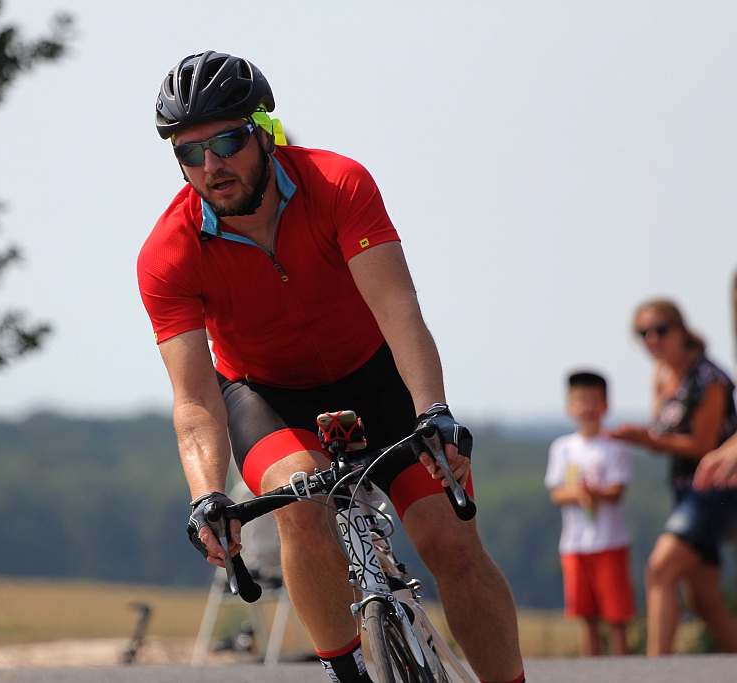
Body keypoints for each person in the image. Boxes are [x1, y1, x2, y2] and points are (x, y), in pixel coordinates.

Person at [137, 51, 525, 683]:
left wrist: (433, 412)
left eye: (228, 141)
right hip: (267, 397)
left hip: (379, 378)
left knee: (452, 545)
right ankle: (345, 672)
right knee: (296, 503)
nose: (212, 166)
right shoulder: (167, 254)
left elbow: (399, 311)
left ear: (262, 131)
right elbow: (194, 398)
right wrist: (207, 493)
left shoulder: (338, 183)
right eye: (190, 153)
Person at [609, 299, 737, 655]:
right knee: (704, 601)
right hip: (686, 491)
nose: (653, 339)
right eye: (644, 333)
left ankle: (655, 670)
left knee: (660, 571)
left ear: (681, 330)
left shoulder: (710, 378)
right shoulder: (664, 374)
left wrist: (647, 440)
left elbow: (704, 445)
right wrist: (646, 438)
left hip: (716, 490)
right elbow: (661, 432)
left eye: (661, 329)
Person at [545, 371, 633, 656]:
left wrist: (594, 493)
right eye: (581, 400)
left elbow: (618, 490)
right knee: (585, 615)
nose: (587, 407)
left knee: (616, 615)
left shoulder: (614, 447)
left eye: (594, 400)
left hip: (610, 541)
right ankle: (592, 670)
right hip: (574, 543)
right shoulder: (562, 448)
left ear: (606, 406)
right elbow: (557, 492)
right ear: (569, 407)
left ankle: (623, 671)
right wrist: (582, 494)